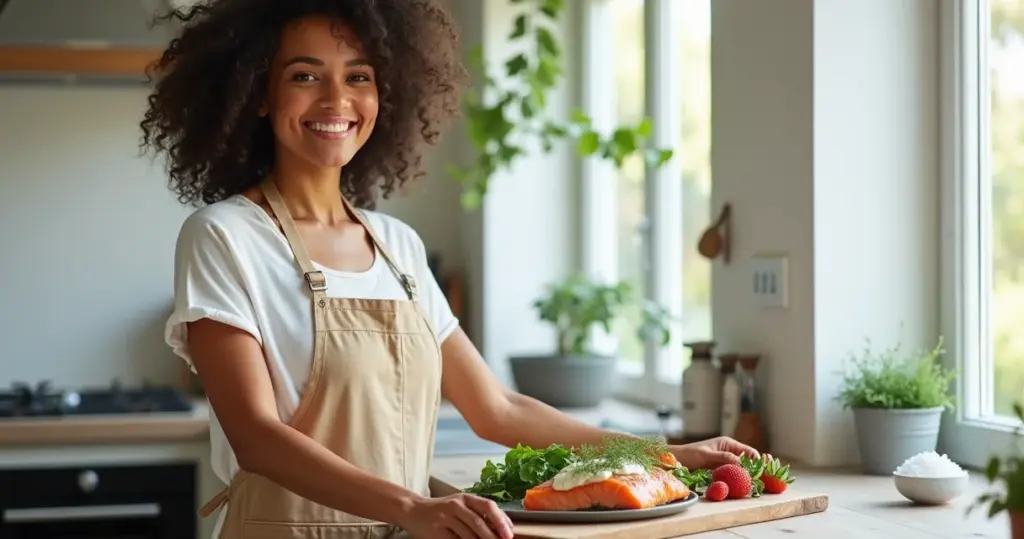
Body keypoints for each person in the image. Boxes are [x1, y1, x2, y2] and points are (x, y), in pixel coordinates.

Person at [141, 1, 761, 538]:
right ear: (258, 93)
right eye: (305, 75)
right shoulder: (224, 236)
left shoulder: (398, 247)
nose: (336, 99)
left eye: (359, 76)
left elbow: (497, 409)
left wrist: (663, 453)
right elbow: (254, 435)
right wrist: (413, 507)